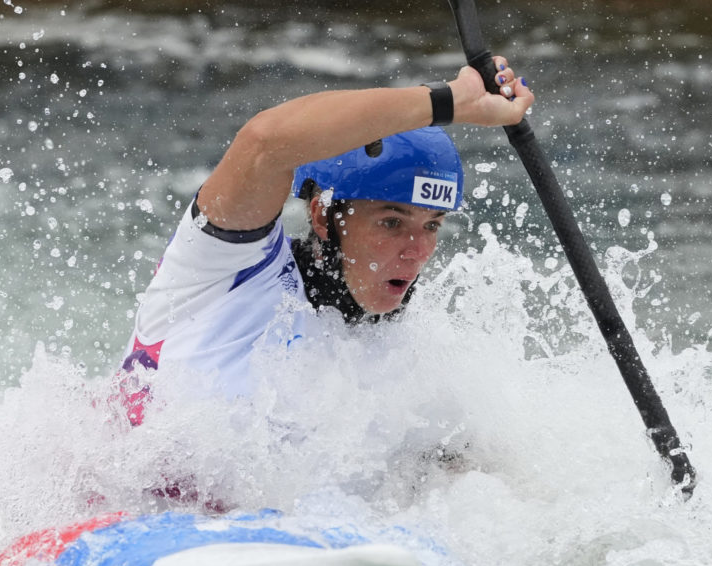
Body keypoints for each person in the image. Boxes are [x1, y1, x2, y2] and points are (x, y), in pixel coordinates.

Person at [118, 56, 533, 425]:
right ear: (321, 215)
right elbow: (264, 144)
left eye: (431, 225)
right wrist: (449, 101)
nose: (417, 251)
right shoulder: (224, 265)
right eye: (391, 223)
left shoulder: (404, 363)